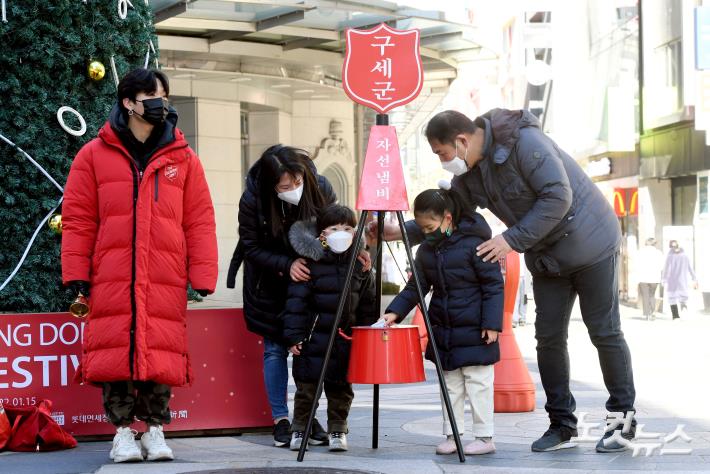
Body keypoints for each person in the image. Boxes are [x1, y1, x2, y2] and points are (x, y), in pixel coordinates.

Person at [372, 109, 637, 453]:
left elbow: (558, 196)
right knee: (549, 338)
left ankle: (622, 423)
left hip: (592, 243)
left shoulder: (526, 143)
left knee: (603, 331)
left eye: (442, 153)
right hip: (547, 255)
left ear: (462, 141)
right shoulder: (470, 174)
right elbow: (449, 213)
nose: (442, 162)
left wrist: (510, 240)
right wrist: (399, 232)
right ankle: (561, 425)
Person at [61, 68, 218, 463]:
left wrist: (202, 275)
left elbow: (198, 219)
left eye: (164, 96)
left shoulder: (182, 158)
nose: (160, 103)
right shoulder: (93, 155)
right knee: (116, 352)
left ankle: (155, 430)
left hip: (164, 275)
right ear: (128, 102)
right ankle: (122, 434)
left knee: (160, 351)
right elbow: (79, 218)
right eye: (151, 95)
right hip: (112, 274)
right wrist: (78, 273)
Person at [381, 188, 504, 456]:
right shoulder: (426, 251)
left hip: (477, 328)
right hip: (445, 330)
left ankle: (484, 437)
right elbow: (417, 286)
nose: (426, 233)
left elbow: (494, 285)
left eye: (430, 226)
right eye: (422, 228)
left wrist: (492, 324)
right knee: (450, 384)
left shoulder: (477, 245)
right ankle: (453, 434)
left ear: (448, 218)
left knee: (478, 381)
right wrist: (395, 311)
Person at [227, 144, 334, 447]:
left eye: (297, 182)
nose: (294, 190)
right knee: (275, 350)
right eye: (285, 187)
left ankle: (306, 415)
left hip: (309, 283)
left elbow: (336, 225)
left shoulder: (320, 186)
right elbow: (251, 247)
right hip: (269, 284)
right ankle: (281, 419)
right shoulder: (253, 198)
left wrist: (343, 244)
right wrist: (287, 264)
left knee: (307, 352)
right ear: (271, 185)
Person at [282, 204, 377, 452]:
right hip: (313, 339)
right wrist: (294, 336)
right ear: (322, 233)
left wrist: (365, 336)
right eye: (334, 228)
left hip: (345, 338)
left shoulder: (360, 265)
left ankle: (338, 429)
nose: (341, 233)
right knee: (307, 389)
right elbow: (296, 303)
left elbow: (367, 305)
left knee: (341, 389)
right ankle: (299, 429)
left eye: (347, 228)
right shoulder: (310, 263)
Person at [662, 240, 697, 319]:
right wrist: (694, 278)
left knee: (672, 298)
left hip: (672, 280)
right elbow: (690, 268)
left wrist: (664, 279)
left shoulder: (669, 256)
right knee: (683, 296)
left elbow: (666, 269)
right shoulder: (685, 256)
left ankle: (675, 316)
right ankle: (683, 308)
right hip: (682, 280)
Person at [637, 238, 664, 320]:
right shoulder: (658, 253)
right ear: (654, 244)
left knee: (645, 296)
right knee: (652, 295)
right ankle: (652, 313)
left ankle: (646, 314)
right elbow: (662, 266)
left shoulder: (640, 252)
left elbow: (636, 264)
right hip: (654, 277)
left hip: (643, 277)